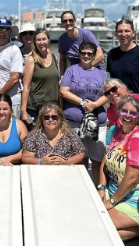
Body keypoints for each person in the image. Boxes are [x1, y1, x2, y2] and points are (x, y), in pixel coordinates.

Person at [98, 96, 139, 241]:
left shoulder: (137, 139)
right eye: (125, 111)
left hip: (132, 199)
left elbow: (132, 178)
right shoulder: (117, 133)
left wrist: (112, 202)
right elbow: (105, 161)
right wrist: (101, 187)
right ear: (119, 112)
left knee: (98, 228)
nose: (128, 115)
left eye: (133, 113)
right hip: (112, 190)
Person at [60, 40, 108, 181]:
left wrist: (94, 105)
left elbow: (108, 94)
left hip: (98, 123)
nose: (86, 56)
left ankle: (98, 188)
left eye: (90, 54)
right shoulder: (71, 70)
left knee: (98, 160)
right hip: (74, 123)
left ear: (94, 56)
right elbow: (63, 91)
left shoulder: (102, 74)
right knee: (80, 158)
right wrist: (82, 102)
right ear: (79, 54)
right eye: (83, 53)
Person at [106, 19, 139, 96]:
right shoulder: (112, 54)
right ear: (116, 34)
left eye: (127, 31)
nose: (123, 34)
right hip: (118, 103)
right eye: (120, 31)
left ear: (133, 33)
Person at [21, 29, 60, 125]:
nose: (42, 42)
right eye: (38, 40)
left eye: (44, 39)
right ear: (34, 42)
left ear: (49, 40)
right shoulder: (31, 60)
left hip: (52, 108)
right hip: (35, 108)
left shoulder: (54, 58)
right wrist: (23, 111)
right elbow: (26, 87)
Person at [0, 18, 24, 117]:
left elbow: (14, 79)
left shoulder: (14, 50)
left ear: (9, 31)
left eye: (5, 29)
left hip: (11, 100)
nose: (1, 31)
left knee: (12, 130)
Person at [57, 10, 105, 76]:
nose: (68, 23)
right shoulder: (62, 39)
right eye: (65, 21)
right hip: (76, 72)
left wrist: (84, 70)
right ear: (62, 23)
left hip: (95, 68)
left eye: (71, 20)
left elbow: (100, 56)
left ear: (75, 21)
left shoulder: (86, 34)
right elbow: (62, 60)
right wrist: (62, 76)